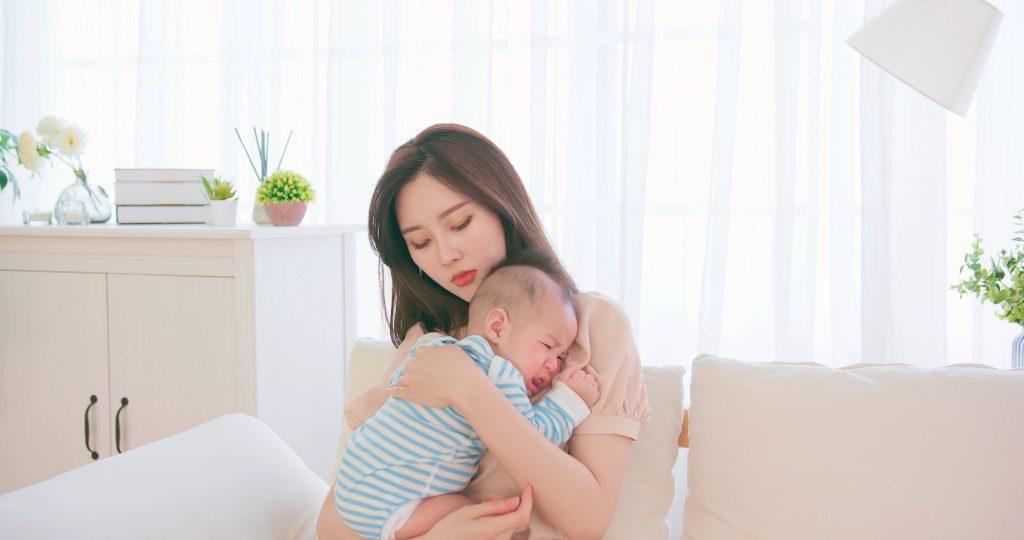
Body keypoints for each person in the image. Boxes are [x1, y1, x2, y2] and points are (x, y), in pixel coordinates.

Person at [316, 123, 650, 540]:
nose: (446, 254)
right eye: (420, 243)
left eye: (459, 224)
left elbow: (588, 520)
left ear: (501, 203)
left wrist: (470, 391)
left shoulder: (591, 327)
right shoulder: (429, 342)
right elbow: (333, 522)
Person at [335, 253, 600, 539]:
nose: (554, 366)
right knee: (474, 511)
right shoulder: (501, 374)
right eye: (548, 346)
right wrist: (571, 399)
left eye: (561, 356)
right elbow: (533, 436)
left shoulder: (433, 348)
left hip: (351, 489)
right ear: (497, 327)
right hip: (392, 509)